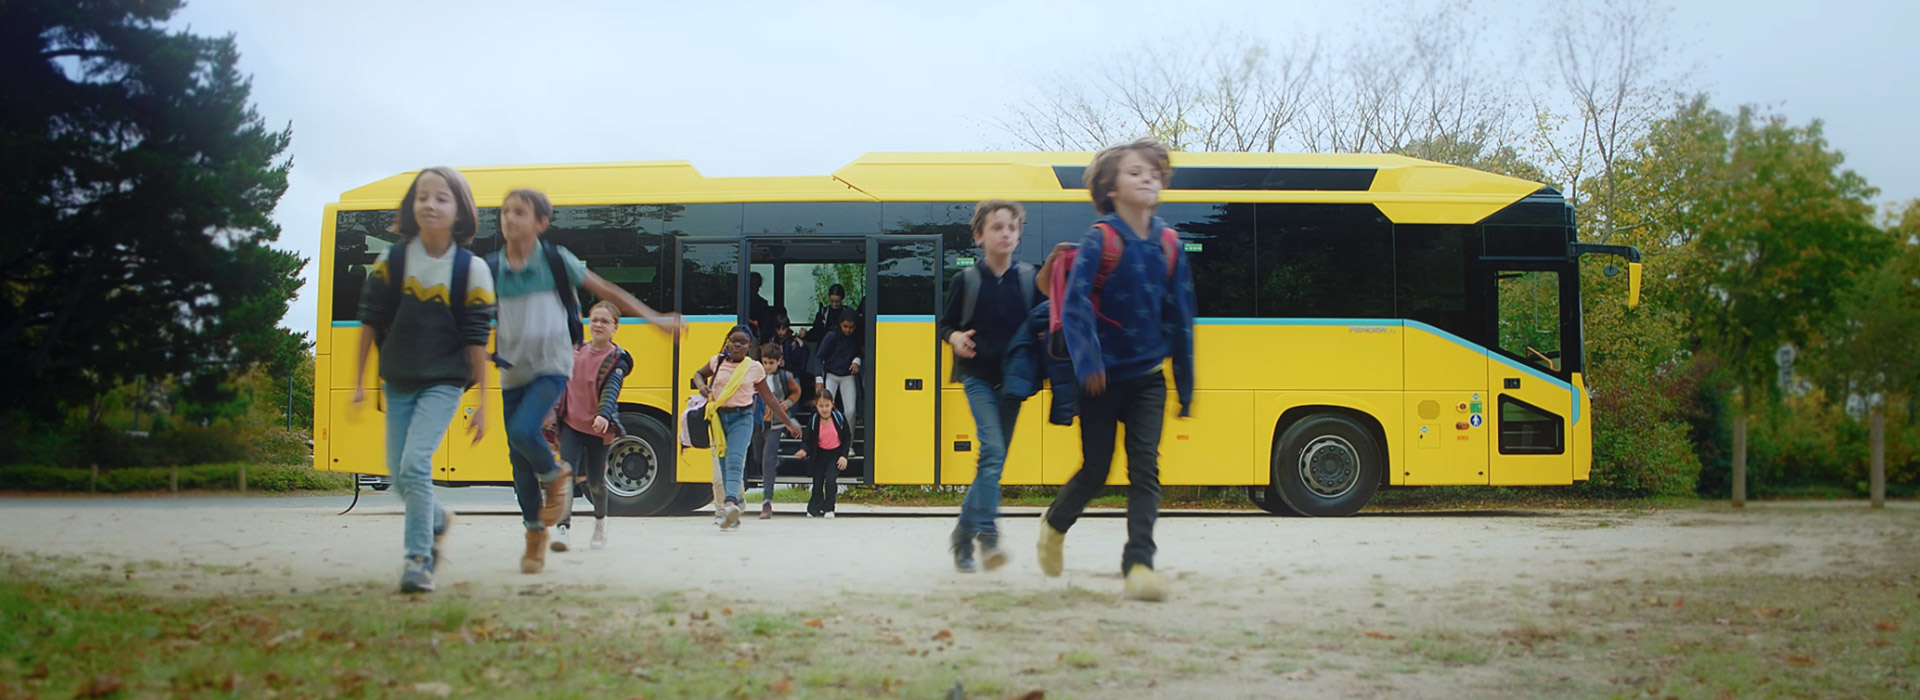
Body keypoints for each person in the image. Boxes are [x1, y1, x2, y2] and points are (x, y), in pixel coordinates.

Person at [489, 188, 681, 574]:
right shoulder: (490, 268)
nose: (510, 218)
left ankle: (557, 474)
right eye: (505, 211)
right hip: (512, 370)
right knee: (517, 460)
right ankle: (534, 535)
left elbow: (606, 290)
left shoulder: (557, 262)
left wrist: (654, 317)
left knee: (526, 432)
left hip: (551, 365)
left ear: (541, 223)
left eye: (520, 212)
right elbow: (470, 313)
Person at [1037, 139, 1196, 602]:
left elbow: (1181, 316)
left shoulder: (1169, 244)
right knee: (1096, 469)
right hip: (1100, 380)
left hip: (1148, 377)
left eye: (1154, 172)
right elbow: (1076, 304)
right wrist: (1088, 362)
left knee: (1145, 469)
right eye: (1135, 172)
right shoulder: (1099, 239)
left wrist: (1184, 385)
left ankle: (1139, 565)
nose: (1148, 178)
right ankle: (1054, 525)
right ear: (1110, 187)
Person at [353, 166, 495, 595]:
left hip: (445, 382)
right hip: (397, 380)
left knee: (415, 465)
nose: (430, 204)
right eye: (422, 197)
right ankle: (434, 517)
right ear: (411, 207)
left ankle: (418, 560)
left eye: (441, 198)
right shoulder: (390, 261)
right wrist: (359, 381)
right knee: (399, 476)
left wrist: (486, 402)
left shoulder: (471, 270)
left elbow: (477, 341)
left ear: (459, 211)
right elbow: (369, 321)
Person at [937, 199, 1041, 573]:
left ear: (1019, 234)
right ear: (979, 236)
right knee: (993, 450)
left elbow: (1044, 323)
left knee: (991, 462)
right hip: (977, 375)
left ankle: (962, 537)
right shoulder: (966, 280)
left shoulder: (1031, 278)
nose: (1006, 233)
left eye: (1012, 227)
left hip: (1015, 381)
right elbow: (944, 325)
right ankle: (988, 534)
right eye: (997, 227)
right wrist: (955, 339)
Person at [692, 325, 802, 530]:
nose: (737, 345)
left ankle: (730, 504)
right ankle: (736, 505)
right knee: (722, 466)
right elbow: (698, 374)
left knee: (734, 462)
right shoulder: (717, 361)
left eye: (743, 342)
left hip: (742, 419)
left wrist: (788, 423)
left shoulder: (754, 368)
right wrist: (701, 386)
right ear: (727, 341)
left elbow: (770, 399)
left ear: (749, 347)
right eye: (734, 340)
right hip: (718, 419)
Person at [551, 301, 635, 554]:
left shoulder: (616, 360)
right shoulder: (576, 351)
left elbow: (611, 390)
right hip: (571, 424)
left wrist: (603, 415)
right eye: (594, 319)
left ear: (615, 328)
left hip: (598, 428)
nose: (598, 325)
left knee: (596, 482)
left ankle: (600, 523)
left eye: (605, 321)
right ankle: (562, 530)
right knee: (566, 476)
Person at [749, 342, 800, 519]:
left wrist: (789, 403)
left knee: (767, 460)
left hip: (776, 424)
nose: (768, 366)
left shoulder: (785, 377)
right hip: (757, 422)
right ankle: (777, 461)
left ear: (779, 361)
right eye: (765, 362)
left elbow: (796, 392)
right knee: (758, 457)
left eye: (771, 362)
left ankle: (767, 502)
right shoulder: (755, 376)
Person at [793, 391, 850, 518]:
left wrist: (844, 456)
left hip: (835, 455)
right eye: (821, 406)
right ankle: (814, 508)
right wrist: (803, 450)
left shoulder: (839, 418)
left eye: (827, 406)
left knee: (830, 480)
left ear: (832, 405)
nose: (824, 409)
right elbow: (807, 438)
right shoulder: (814, 420)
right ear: (816, 406)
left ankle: (829, 508)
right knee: (817, 482)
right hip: (819, 454)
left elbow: (847, 438)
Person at [813, 315, 862, 433]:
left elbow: (861, 352)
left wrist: (857, 361)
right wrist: (819, 378)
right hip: (831, 375)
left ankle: (848, 443)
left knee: (850, 411)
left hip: (848, 375)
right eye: (845, 326)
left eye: (851, 327)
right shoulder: (832, 335)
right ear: (840, 324)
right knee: (825, 407)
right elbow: (819, 356)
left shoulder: (856, 337)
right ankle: (824, 438)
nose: (848, 330)